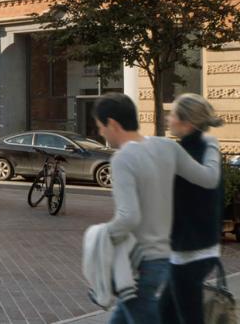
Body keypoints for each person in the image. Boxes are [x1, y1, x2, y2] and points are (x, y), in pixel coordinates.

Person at [93, 93, 219, 324]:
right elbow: (208, 178)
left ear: (112, 123)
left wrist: (99, 236)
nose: (101, 132)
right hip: (162, 258)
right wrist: (212, 146)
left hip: (141, 263)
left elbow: (128, 217)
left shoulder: (122, 158)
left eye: (101, 127)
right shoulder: (166, 146)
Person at [158, 93, 224, 324]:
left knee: (186, 317)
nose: (169, 117)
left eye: (174, 113)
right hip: (200, 249)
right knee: (166, 313)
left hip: (188, 253)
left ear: (187, 122)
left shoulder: (186, 153)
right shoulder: (206, 149)